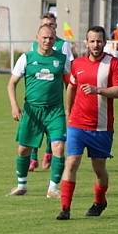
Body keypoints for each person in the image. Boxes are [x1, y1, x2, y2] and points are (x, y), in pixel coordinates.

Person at [57, 26, 118, 220]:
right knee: (71, 163)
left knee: (99, 169)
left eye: (99, 41)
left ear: (104, 42)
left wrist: (98, 90)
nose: (95, 45)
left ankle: (100, 201)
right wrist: (68, 111)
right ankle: (65, 208)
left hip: (102, 127)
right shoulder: (77, 63)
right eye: (92, 41)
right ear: (86, 43)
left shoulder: (113, 64)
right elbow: (71, 87)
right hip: (77, 125)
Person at [6, 25, 69, 199]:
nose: (47, 41)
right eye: (44, 38)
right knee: (23, 149)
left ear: (55, 39)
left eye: (51, 38)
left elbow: (69, 85)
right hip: (32, 111)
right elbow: (12, 83)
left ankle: (53, 188)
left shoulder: (62, 59)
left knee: (59, 146)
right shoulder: (26, 58)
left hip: (55, 111)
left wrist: (70, 107)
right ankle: (22, 185)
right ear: (37, 38)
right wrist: (14, 106)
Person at [28, 13, 75, 171]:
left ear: (56, 26)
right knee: (34, 124)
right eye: (46, 24)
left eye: (52, 25)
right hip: (36, 95)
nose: (49, 27)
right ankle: (33, 158)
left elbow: (70, 70)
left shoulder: (63, 45)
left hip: (55, 92)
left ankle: (48, 153)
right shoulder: (34, 45)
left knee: (53, 127)